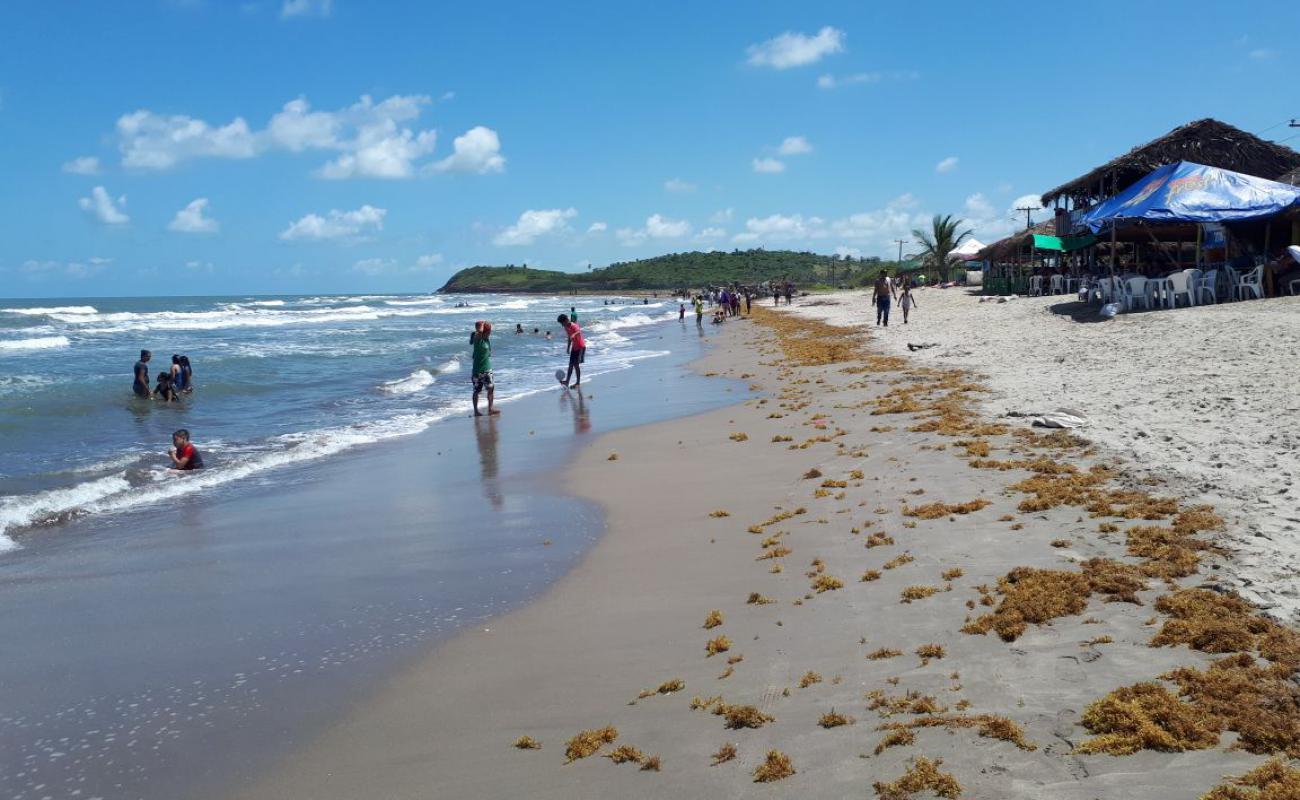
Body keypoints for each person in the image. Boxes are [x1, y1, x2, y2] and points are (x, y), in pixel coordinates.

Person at [470, 321, 498, 416]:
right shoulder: (478, 339)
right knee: (476, 391)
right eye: (489, 331)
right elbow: (478, 331)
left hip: (487, 369)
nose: (490, 333)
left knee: (491, 389)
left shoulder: (486, 340)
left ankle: (490, 409)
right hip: (477, 370)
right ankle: (476, 411)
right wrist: (482, 324)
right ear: (485, 331)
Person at [557, 313, 585, 388]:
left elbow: (578, 331)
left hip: (580, 346)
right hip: (574, 347)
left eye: (562, 323)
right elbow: (569, 338)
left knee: (576, 365)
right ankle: (567, 382)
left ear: (566, 320)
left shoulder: (573, 325)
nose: (562, 325)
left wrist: (574, 334)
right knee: (570, 365)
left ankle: (578, 382)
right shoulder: (566, 327)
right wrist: (568, 347)